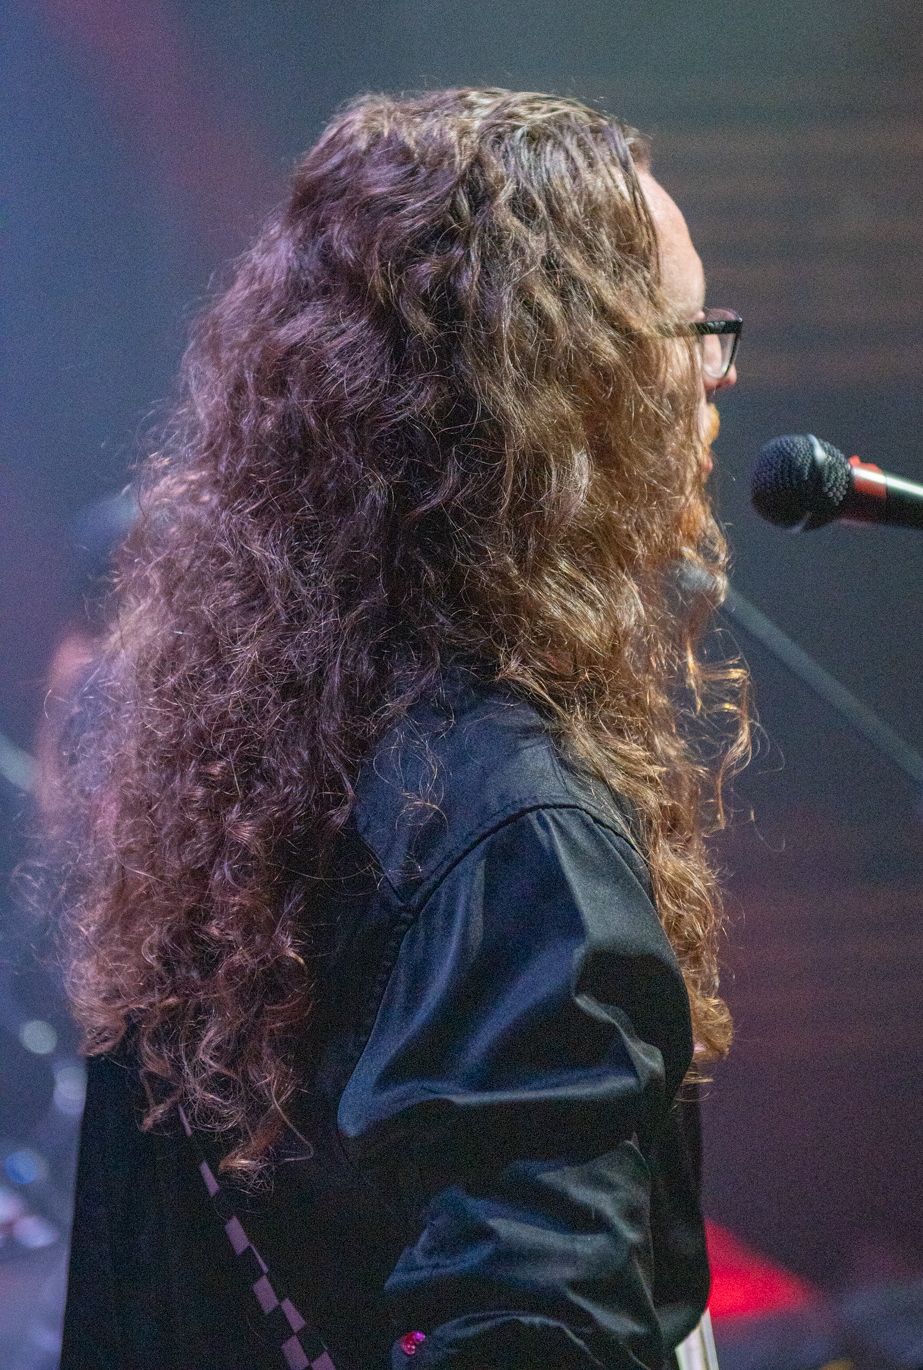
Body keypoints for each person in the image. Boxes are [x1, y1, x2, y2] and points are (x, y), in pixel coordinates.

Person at [53, 90, 748, 1370]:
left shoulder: (240, 779)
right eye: (692, 331)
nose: (720, 374)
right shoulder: (520, 831)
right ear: (567, 383)